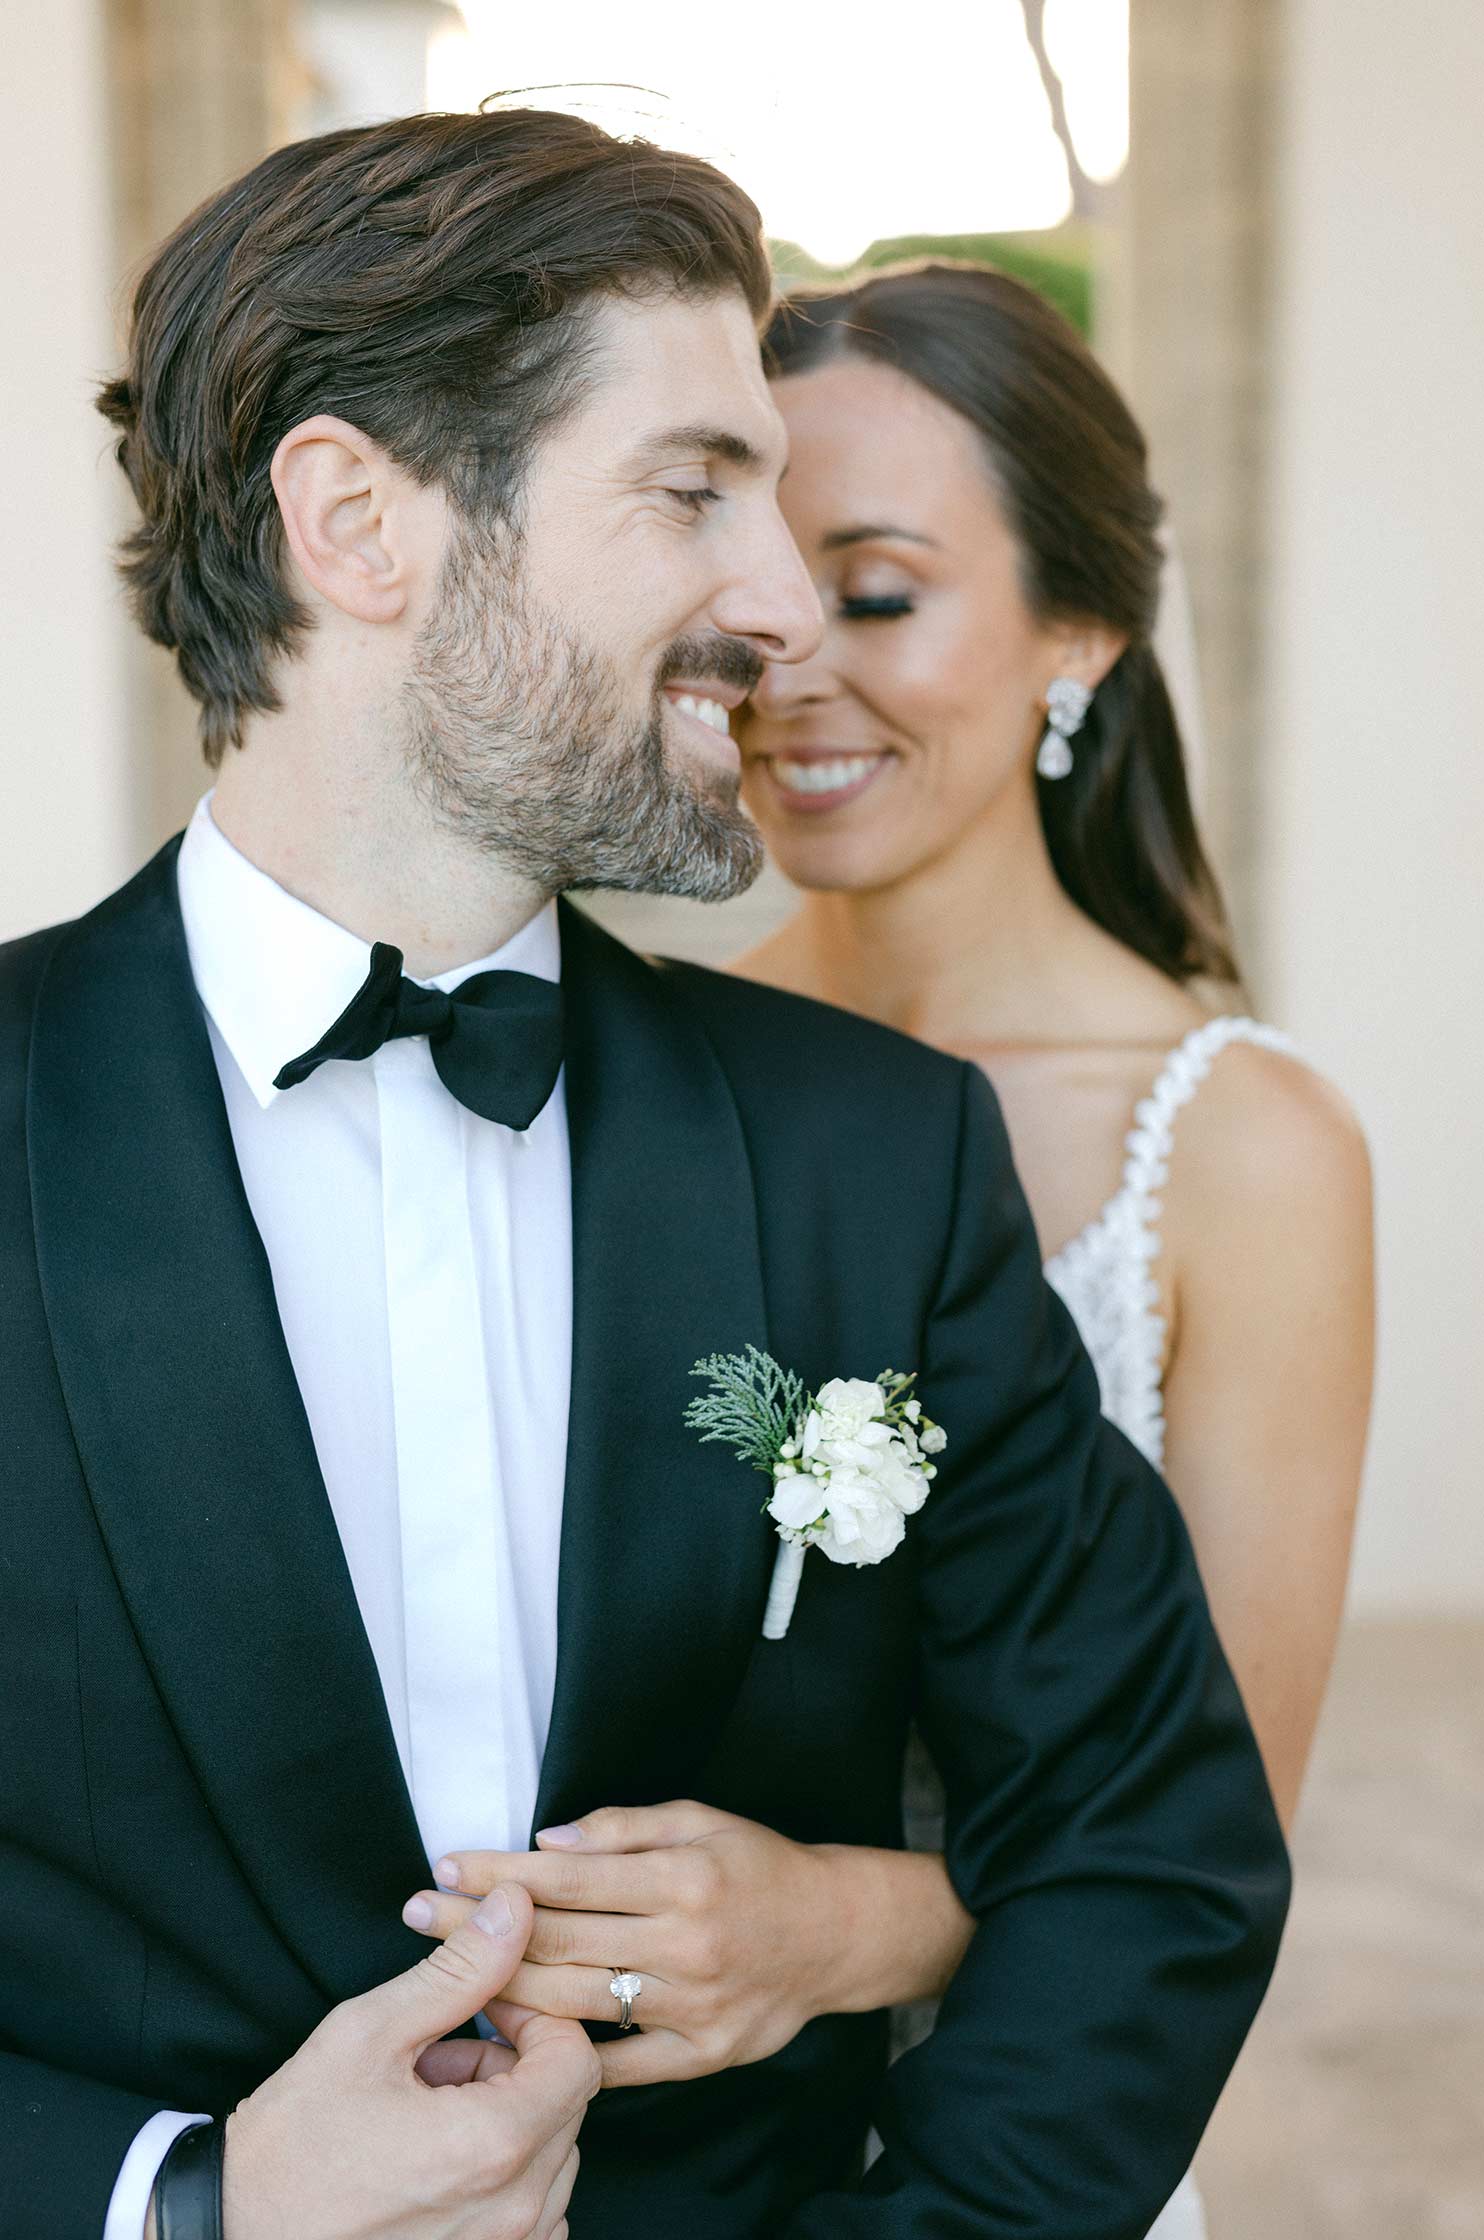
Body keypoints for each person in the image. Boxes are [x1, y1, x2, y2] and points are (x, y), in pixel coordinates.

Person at [0, 117, 1290, 2239]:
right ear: (358, 522)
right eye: (694, 490)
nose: (781, 608)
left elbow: (1153, 1832)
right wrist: (180, 2202)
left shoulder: (872, 1154)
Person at [401, 266, 1372, 2239]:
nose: (787, 657)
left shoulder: (1245, 1148)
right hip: (597, 2142)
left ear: (1077, 627)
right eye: (743, 574)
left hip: (1016, 2131)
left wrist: (829, 1925)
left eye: (880, 588)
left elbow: (1210, 1831)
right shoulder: (622, 1060)